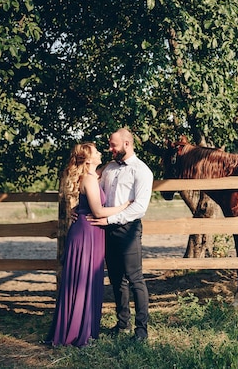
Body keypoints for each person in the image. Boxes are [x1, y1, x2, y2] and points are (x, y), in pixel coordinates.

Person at [46, 143, 131, 347]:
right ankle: (77, 333)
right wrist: (127, 205)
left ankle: (81, 328)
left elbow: (104, 169)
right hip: (86, 233)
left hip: (90, 231)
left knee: (88, 280)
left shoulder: (94, 175)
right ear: (88, 159)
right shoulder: (90, 180)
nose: (100, 152)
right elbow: (99, 212)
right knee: (82, 280)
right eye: (96, 151)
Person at [87, 128, 154, 342]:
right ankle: (122, 323)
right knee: (116, 279)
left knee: (135, 279)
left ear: (127, 143)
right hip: (106, 229)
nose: (110, 149)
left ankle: (141, 330)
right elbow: (95, 192)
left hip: (128, 229)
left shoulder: (142, 171)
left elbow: (140, 207)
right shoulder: (109, 169)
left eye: (113, 145)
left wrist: (110, 220)